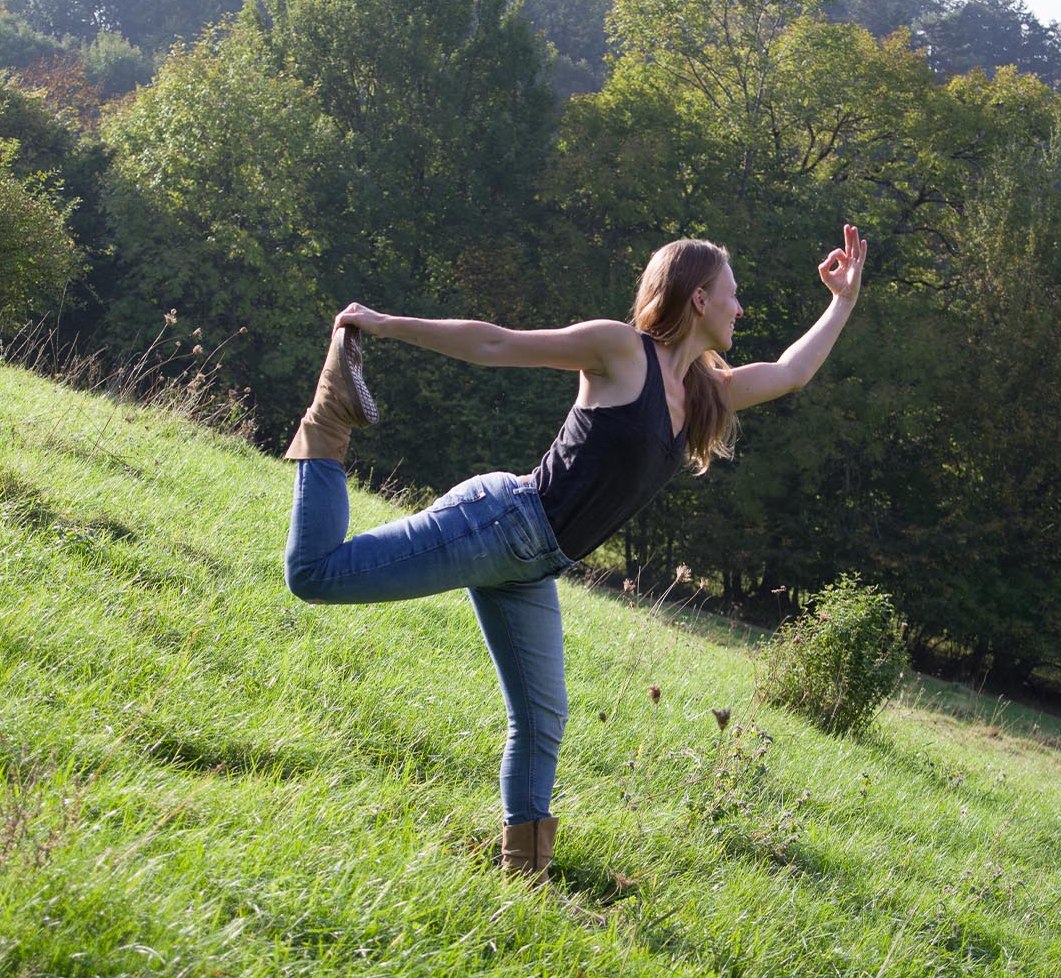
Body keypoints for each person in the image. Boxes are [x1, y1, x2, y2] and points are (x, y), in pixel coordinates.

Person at [283, 225, 867, 882]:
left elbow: (790, 374)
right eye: (732, 295)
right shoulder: (622, 351)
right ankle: (330, 413)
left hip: (535, 564)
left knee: (541, 720)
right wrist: (384, 324)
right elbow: (495, 341)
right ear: (698, 299)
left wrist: (842, 301)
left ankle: (524, 881)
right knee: (315, 573)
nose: (741, 308)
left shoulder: (703, 392)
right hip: (502, 523)